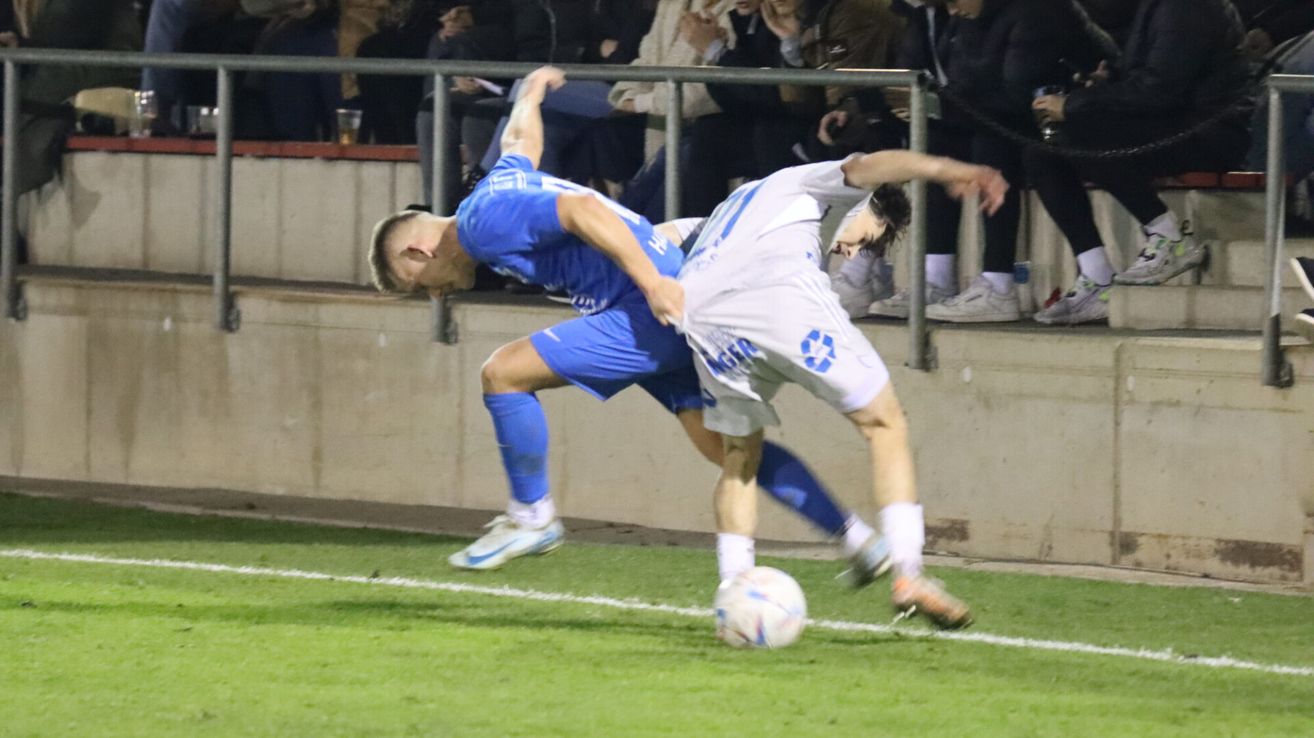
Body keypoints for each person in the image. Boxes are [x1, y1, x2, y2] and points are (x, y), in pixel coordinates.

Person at [368, 67, 890, 581]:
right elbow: (520, 142)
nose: (435, 294)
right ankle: (860, 541)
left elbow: (580, 209)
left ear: (419, 252)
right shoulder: (494, 190)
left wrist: (652, 283)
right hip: (667, 302)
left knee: (502, 373)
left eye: (421, 285)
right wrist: (530, 93)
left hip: (644, 307)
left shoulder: (481, 226)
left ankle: (531, 516)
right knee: (728, 447)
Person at [669, 148, 1006, 628]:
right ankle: (909, 575)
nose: (851, 251)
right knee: (884, 422)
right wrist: (953, 169)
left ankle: (733, 598)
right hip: (777, 296)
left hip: (702, 316)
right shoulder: (811, 183)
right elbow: (867, 166)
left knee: (740, 457)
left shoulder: (739, 206)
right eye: (865, 237)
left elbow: (663, 234)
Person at [1026, 0, 1252, 325]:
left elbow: (1160, 90)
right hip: (1173, 122)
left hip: (1208, 133)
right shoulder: (1156, 6)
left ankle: (1169, 238)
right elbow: (1147, 75)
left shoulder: (1189, 7)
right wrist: (1105, 81)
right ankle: (1096, 275)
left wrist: (1075, 103)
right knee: (1042, 152)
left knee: (1079, 132)